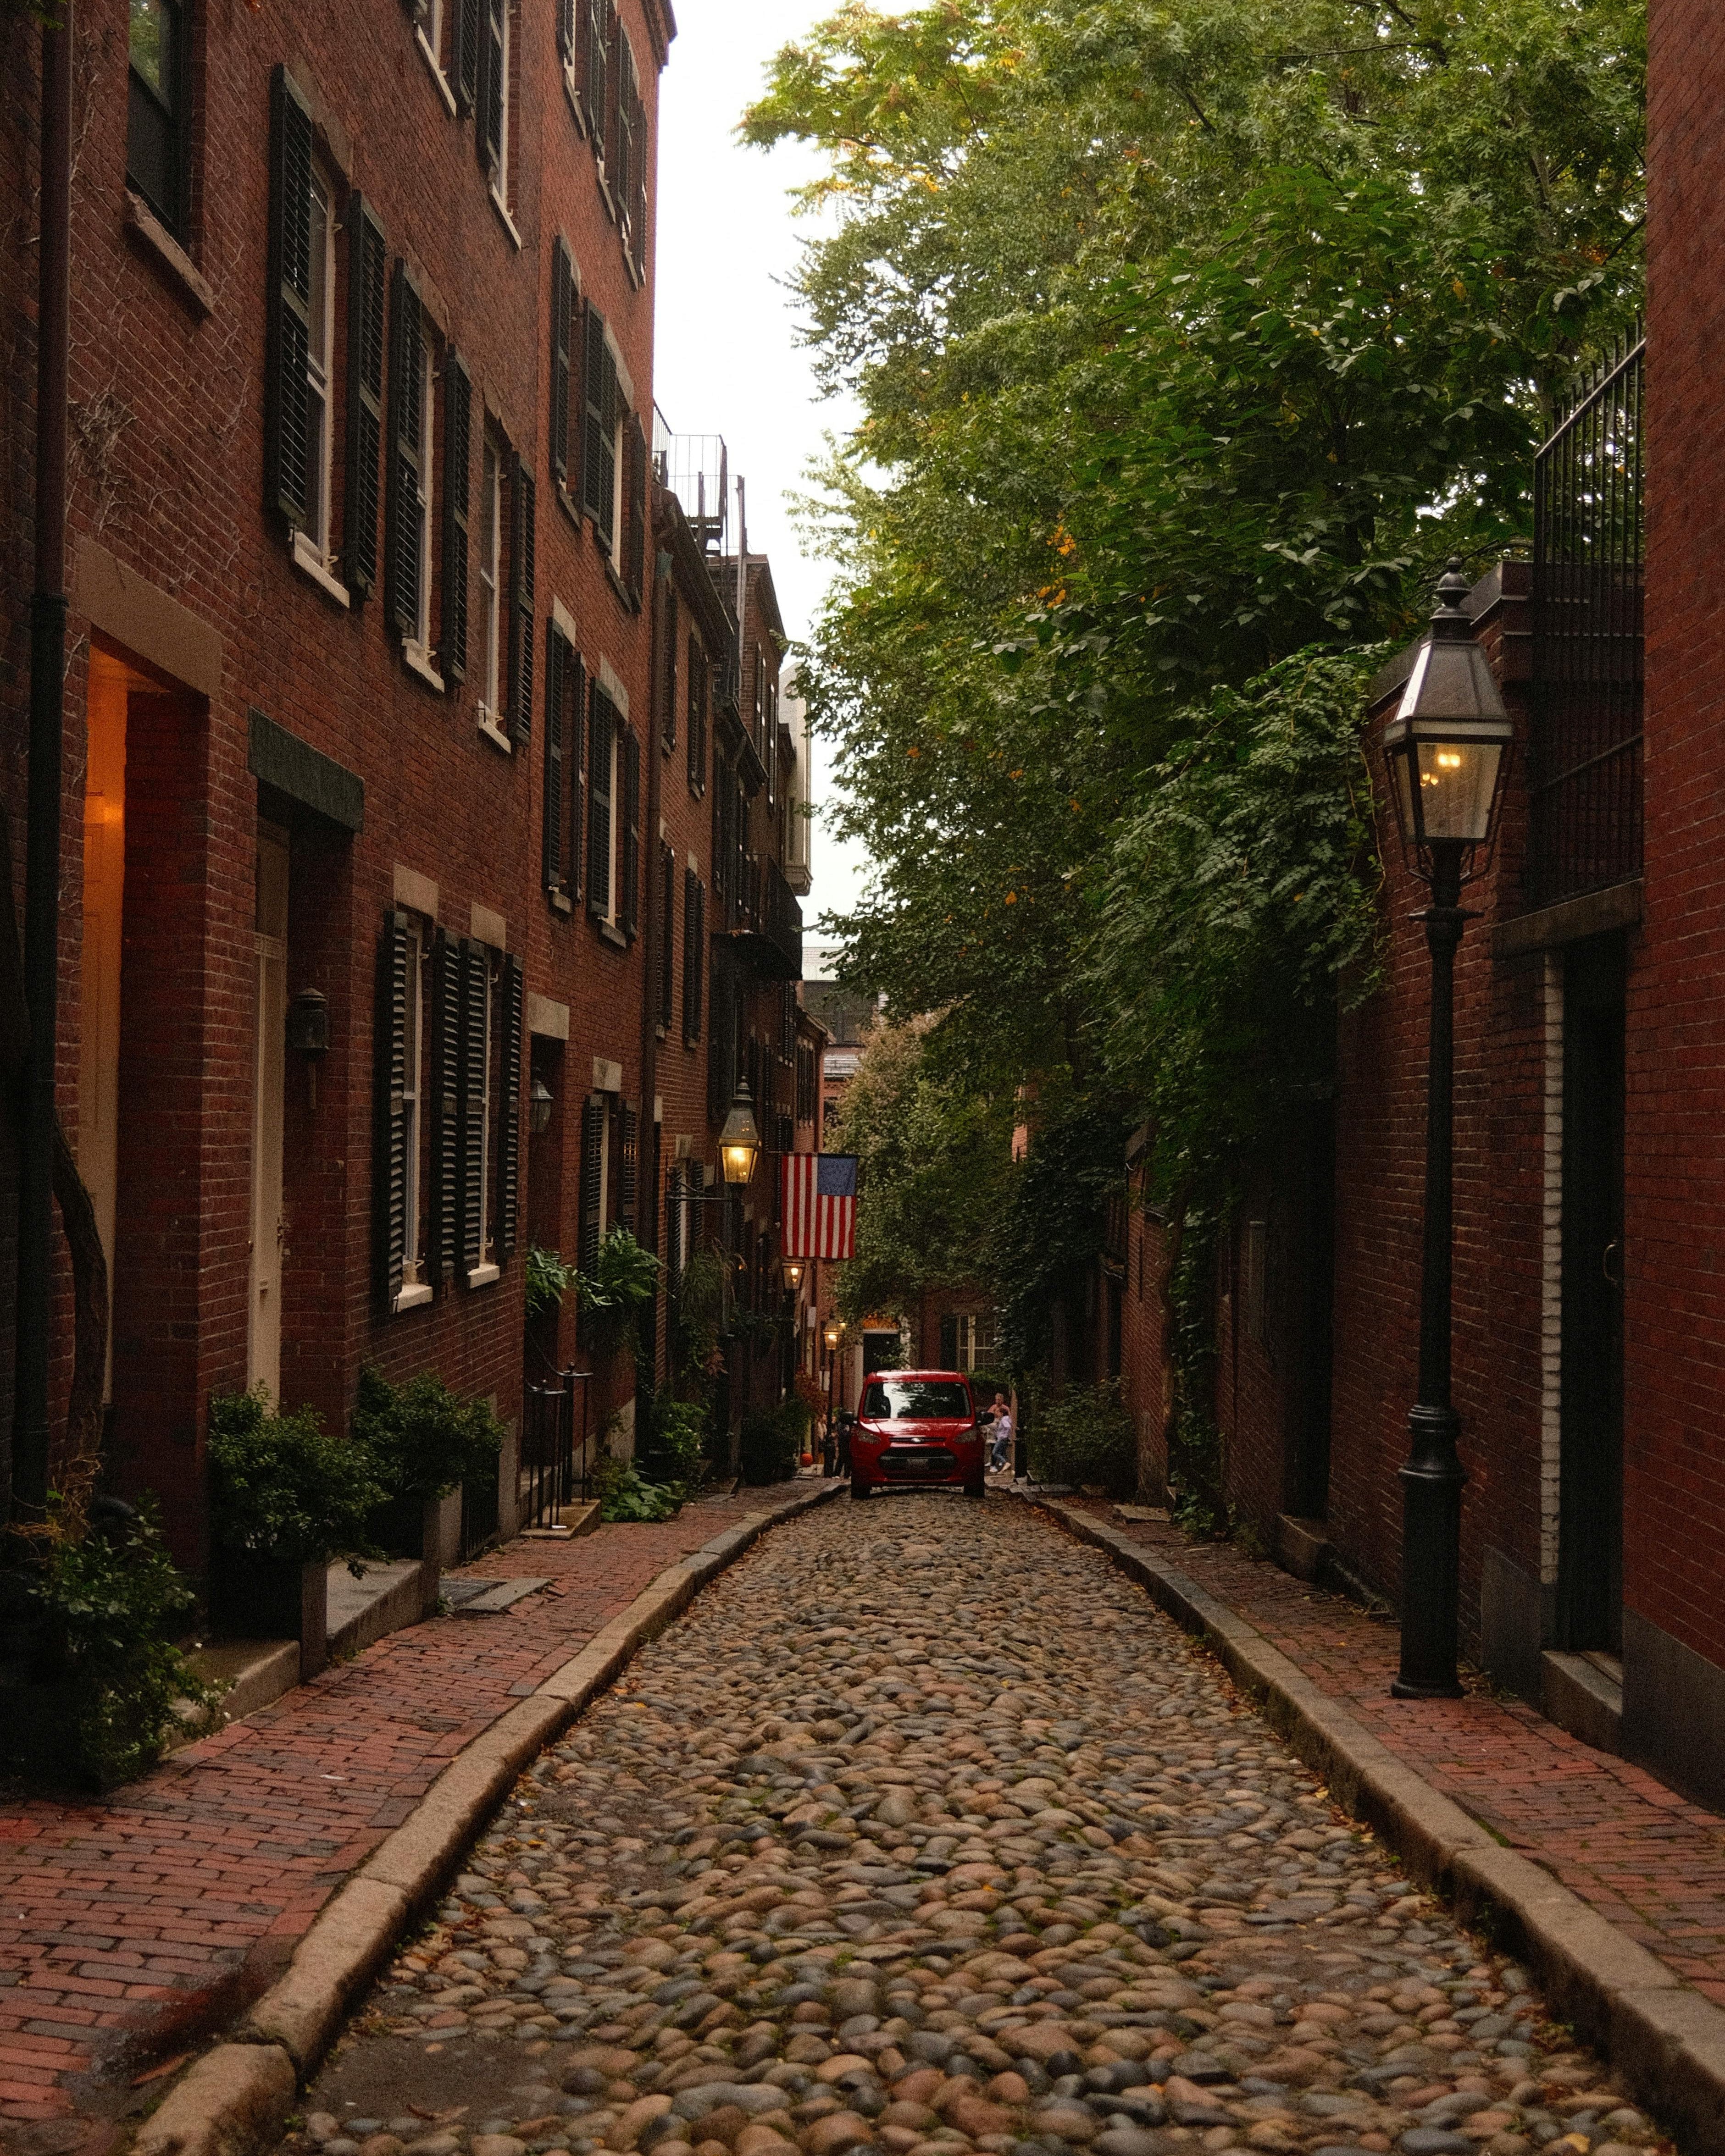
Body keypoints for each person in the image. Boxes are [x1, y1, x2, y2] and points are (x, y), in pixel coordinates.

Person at [989, 1392, 1014, 1474]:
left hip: (1002, 1438)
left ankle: (1004, 1463)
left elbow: (1008, 1425)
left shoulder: (1004, 1412)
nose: (997, 1401)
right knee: (1001, 1452)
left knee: (995, 1452)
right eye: (996, 1400)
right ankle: (1003, 1467)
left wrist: (1005, 1434)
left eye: (999, 1400)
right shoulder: (993, 1407)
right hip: (998, 1435)